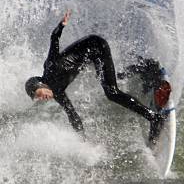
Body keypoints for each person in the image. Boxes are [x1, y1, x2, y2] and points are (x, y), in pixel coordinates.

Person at [25, 10, 167, 144]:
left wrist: (61, 25)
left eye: (40, 95)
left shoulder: (51, 67)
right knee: (114, 79)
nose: (43, 99)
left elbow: (54, 38)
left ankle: (154, 118)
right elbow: (72, 115)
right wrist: (83, 141)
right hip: (91, 57)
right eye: (39, 98)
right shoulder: (57, 93)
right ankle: (145, 67)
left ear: (41, 85)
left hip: (95, 45)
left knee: (111, 92)